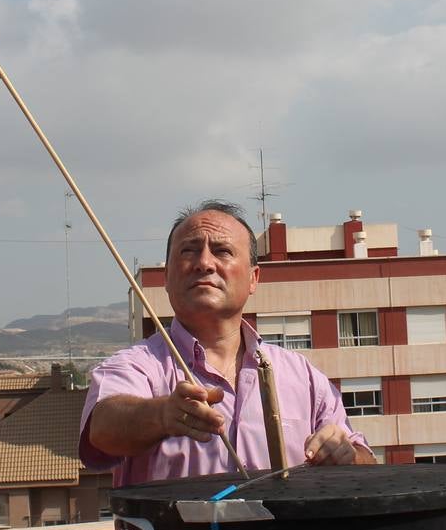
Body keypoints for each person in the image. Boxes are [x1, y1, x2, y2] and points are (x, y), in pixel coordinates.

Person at [80, 200, 374, 486]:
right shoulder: (136, 366)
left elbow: (367, 464)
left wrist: (346, 456)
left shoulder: (301, 375)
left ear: (253, 278)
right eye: (189, 251)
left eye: (222, 251)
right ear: (167, 277)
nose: (204, 263)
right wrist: (162, 414)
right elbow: (103, 428)